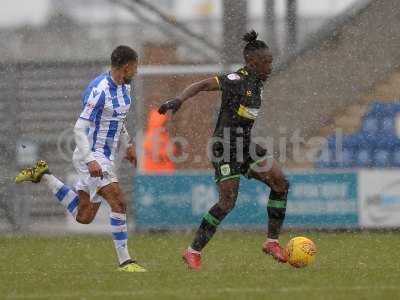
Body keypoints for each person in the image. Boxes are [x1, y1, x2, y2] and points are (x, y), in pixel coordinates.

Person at [158, 30, 290, 271]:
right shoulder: (236, 80)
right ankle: (192, 251)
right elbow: (201, 84)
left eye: (271, 62)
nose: (270, 67)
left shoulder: (258, 83)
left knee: (280, 183)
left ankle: (272, 242)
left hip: (245, 145)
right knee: (227, 202)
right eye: (266, 63)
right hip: (225, 147)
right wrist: (178, 100)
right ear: (252, 63)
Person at [15, 45, 146, 272]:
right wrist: (90, 160)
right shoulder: (100, 90)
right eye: (135, 67)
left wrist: (128, 145)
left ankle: (44, 175)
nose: (136, 71)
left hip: (106, 156)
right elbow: (79, 129)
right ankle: (126, 261)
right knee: (119, 202)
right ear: (126, 67)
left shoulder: (125, 88)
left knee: (84, 216)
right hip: (92, 155)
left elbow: (119, 119)